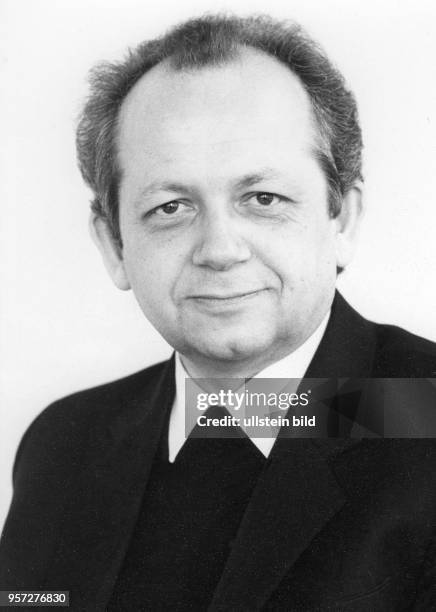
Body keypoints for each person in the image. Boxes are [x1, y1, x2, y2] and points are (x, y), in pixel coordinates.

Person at [0, 14, 435, 611]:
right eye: (171, 206)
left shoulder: (427, 416)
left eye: (263, 198)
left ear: (343, 221)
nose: (220, 250)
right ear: (114, 245)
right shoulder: (63, 445)